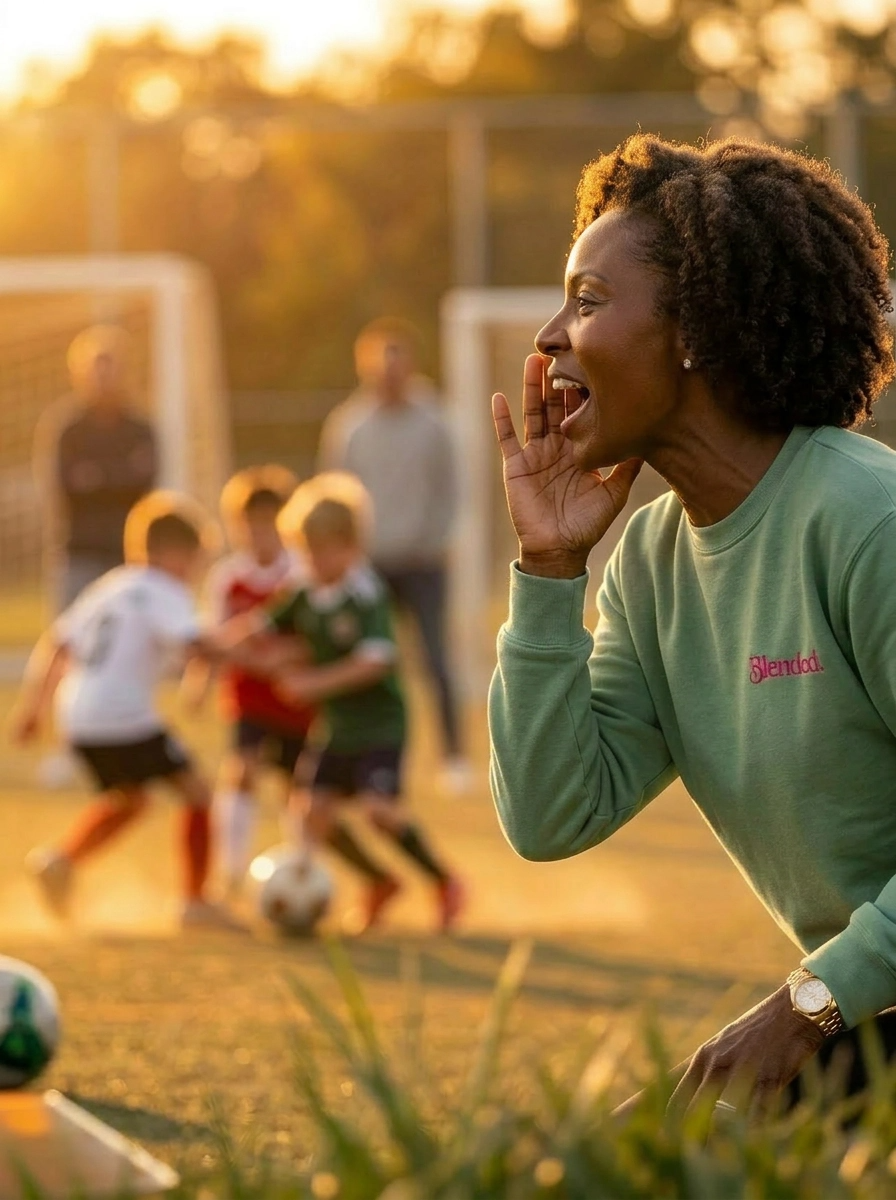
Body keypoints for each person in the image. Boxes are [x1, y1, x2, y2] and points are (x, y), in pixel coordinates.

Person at [488, 134, 896, 1117]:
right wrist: (549, 569)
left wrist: (809, 1004)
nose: (549, 337)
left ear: (697, 331)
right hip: (862, 1018)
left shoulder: (867, 520)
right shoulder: (652, 562)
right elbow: (550, 814)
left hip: (845, 1012)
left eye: (587, 301)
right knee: (597, 1173)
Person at [11, 491, 242, 931]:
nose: (194, 572)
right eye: (194, 560)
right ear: (174, 553)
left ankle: (60, 862)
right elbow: (199, 644)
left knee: (131, 800)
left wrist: (32, 709)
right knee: (198, 793)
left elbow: (57, 645)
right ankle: (195, 903)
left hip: (77, 715)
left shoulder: (110, 587)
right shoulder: (163, 588)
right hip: (122, 715)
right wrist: (259, 651)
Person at [268, 472, 465, 932]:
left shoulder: (367, 592)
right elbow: (264, 628)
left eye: (321, 551)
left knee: (380, 812)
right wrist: (215, 646)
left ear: (351, 546)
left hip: (380, 724)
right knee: (309, 814)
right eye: (306, 551)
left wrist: (312, 683)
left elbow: (375, 661)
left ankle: (445, 882)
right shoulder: (304, 590)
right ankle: (380, 882)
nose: (312, 561)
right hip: (337, 728)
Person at [318, 318, 469, 787]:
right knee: (366, 662)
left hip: (423, 563)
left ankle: (454, 758)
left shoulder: (435, 420)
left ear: (410, 365)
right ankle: (361, 754)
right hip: (370, 566)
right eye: (380, 365)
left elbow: (451, 488)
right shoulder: (350, 425)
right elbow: (335, 491)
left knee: (436, 661)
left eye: (397, 363)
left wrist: (435, 538)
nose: (389, 373)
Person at [189, 465, 314, 896]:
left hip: (296, 699)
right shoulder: (228, 578)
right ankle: (231, 872)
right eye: (250, 525)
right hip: (248, 696)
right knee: (241, 771)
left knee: (299, 788)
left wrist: (279, 658)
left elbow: (309, 642)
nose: (259, 534)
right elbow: (215, 638)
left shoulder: (300, 573)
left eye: (268, 523)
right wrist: (200, 681)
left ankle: (301, 870)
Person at [34, 324, 157, 611]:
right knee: (72, 629)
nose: (104, 379)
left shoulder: (140, 429)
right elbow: (66, 485)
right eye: (97, 370)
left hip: (129, 555)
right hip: (80, 552)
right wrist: (120, 475)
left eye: (111, 369)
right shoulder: (68, 429)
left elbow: (144, 481)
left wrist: (96, 477)